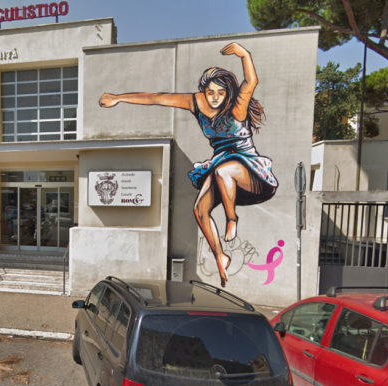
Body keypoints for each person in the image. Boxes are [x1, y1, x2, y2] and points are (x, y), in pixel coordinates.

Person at [99, 42, 277, 286]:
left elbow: (251, 82)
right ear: (204, 92)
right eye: (210, 93)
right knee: (200, 209)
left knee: (224, 171)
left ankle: (232, 219)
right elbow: (157, 98)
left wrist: (245, 55)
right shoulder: (196, 102)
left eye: (220, 93)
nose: (215, 98)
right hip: (222, 169)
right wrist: (119, 98)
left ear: (228, 94)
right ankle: (220, 256)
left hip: (251, 173)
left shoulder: (237, 107)